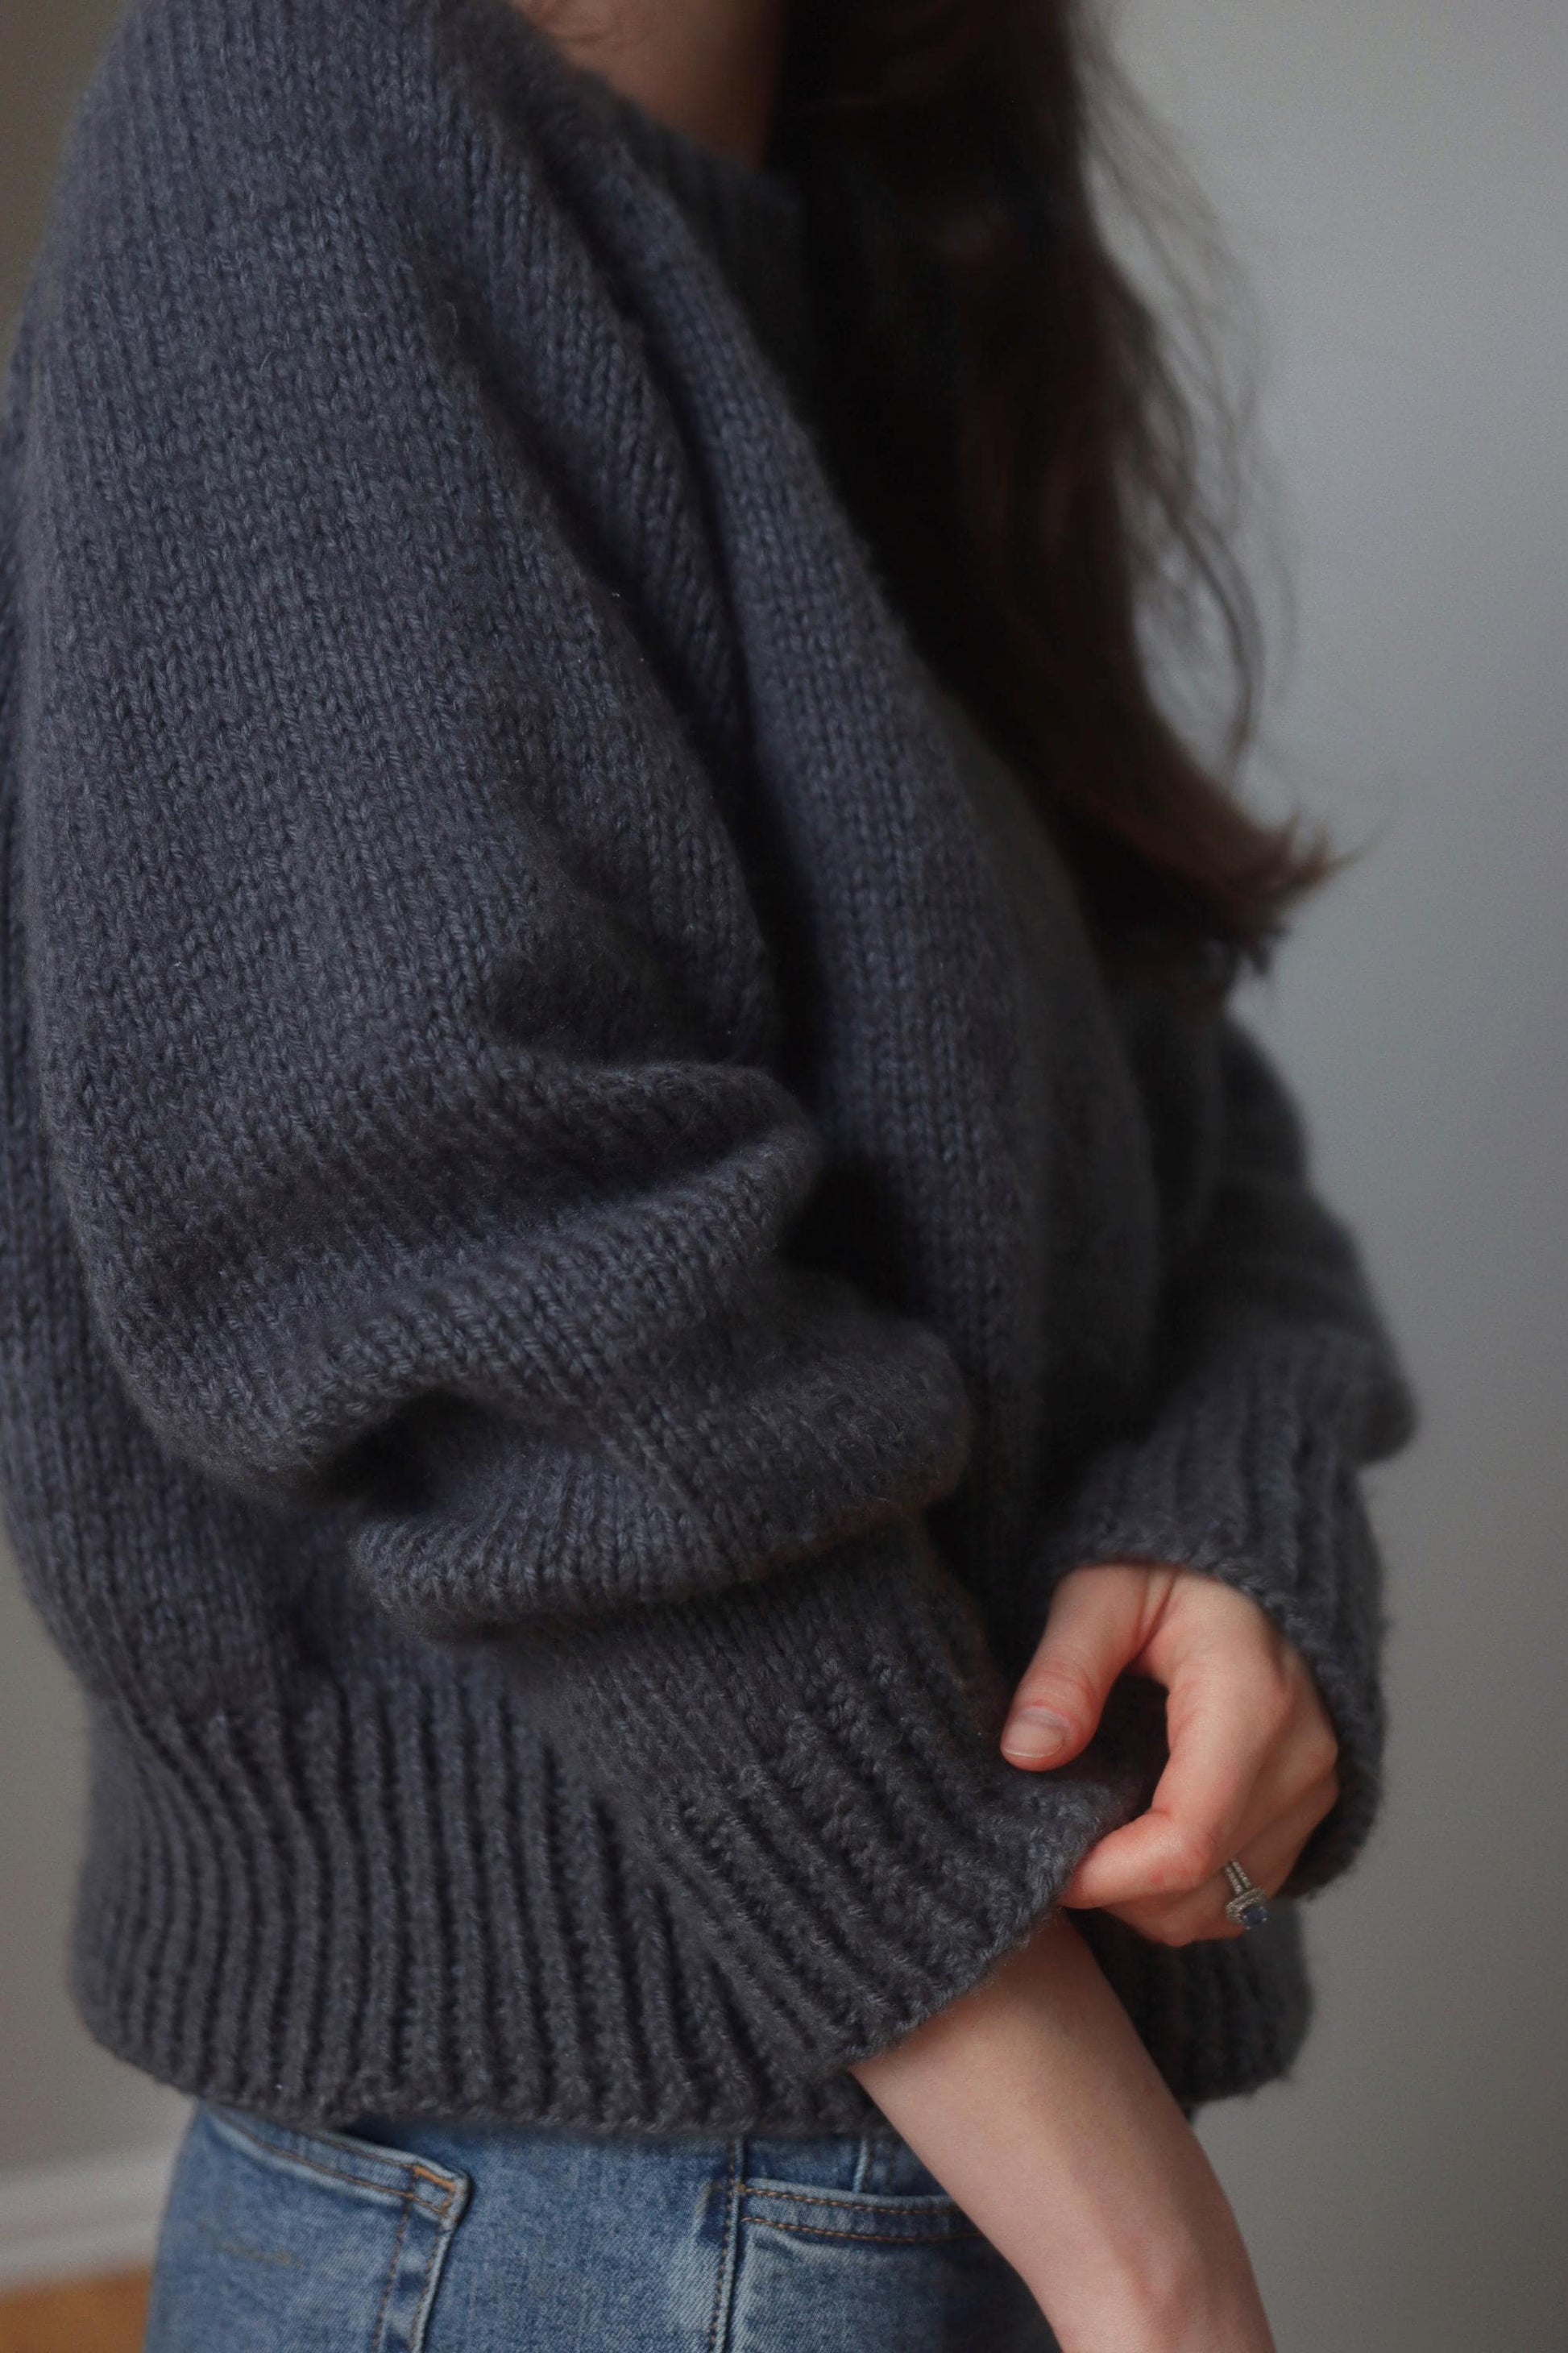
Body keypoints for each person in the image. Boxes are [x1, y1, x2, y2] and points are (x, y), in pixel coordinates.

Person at [0, 0, 1419, 2345]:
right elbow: (445, 1223)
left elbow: (1183, 1093)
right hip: (618, 2207)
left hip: (912, 2147)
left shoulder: (895, 246)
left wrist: (1228, 1508)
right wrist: (1131, 2246)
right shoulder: (297, 102)